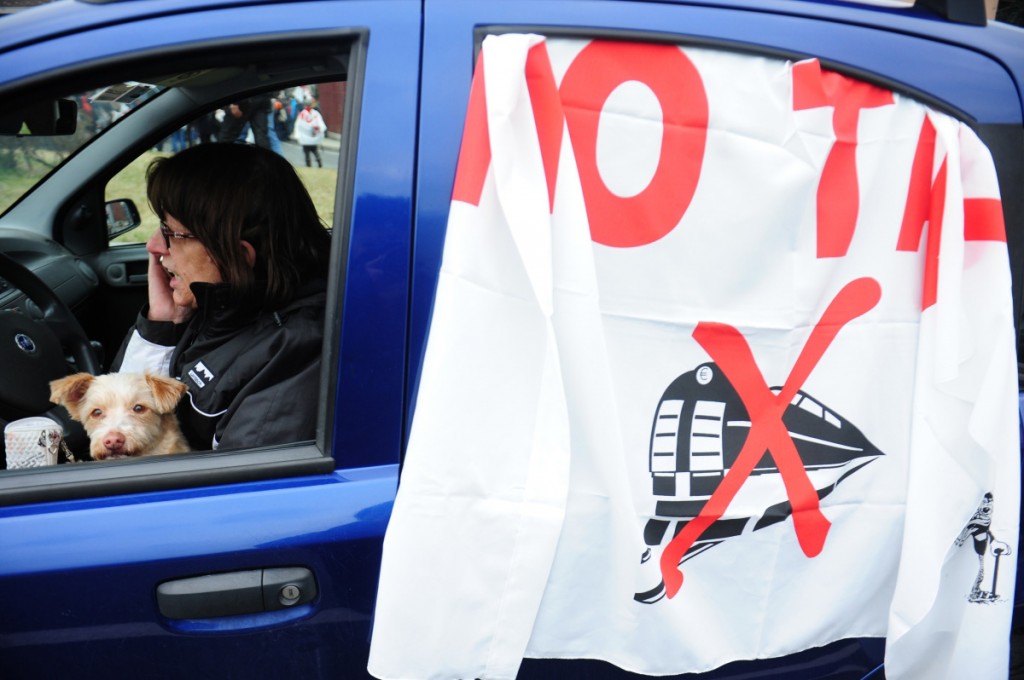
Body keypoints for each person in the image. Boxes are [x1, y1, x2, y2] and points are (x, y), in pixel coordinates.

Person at [112, 143, 332, 451]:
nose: (154, 246)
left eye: (172, 233)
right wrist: (162, 328)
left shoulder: (294, 352)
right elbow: (124, 426)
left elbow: (239, 491)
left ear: (238, 256)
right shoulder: (216, 305)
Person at [294, 98, 326, 168]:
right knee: (312, 151)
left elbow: (298, 124)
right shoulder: (308, 113)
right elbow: (299, 124)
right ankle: (317, 163)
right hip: (308, 136)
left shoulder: (309, 113)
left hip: (310, 136)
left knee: (309, 151)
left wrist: (320, 129)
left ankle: (312, 164)